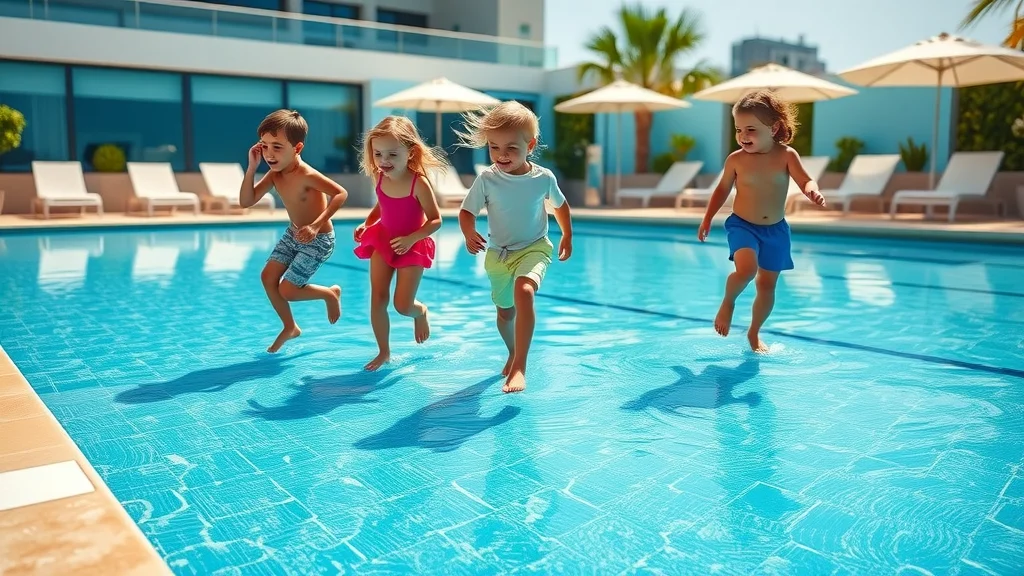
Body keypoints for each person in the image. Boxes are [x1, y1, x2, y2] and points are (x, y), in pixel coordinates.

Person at [456, 101, 573, 394]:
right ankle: (512, 351)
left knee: (525, 291)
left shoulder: (543, 178)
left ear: (530, 145)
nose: (501, 155)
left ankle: (520, 365)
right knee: (505, 313)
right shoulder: (487, 179)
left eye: (511, 148)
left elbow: (561, 206)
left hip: (534, 247)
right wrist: (469, 232)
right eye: (494, 147)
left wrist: (567, 235)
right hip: (498, 254)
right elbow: (467, 211)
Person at [697, 89, 826, 353]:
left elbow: (805, 179)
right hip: (742, 225)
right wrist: (707, 218)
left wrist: (812, 190)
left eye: (751, 130)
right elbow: (721, 190)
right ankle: (728, 302)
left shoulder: (787, 155)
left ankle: (754, 332)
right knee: (746, 270)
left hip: (776, 231)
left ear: (774, 128)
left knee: (767, 286)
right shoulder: (736, 160)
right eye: (738, 129)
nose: (743, 136)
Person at [241, 109, 349, 353]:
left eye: (277, 147)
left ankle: (329, 294)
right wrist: (251, 168)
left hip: (318, 239)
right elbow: (246, 201)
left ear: (297, 148)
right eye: (264, 146)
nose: (269, 154)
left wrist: (316, 225)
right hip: (293, 234)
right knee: (267, 277)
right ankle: (290, 327)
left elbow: (340, 193)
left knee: (288, 290)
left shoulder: (307, 174)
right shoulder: (274, 175)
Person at [353, 116, 445, 371]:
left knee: (402, 305)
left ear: (410, 152)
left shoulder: (418, 183)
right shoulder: (380, 176)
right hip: (383, 240)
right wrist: (367, 223)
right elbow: (382, 204)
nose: (384, 161)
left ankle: (420, 312)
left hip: (411, 245)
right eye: (378, 154)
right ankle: (383, 351)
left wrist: (411, 239)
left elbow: (436, 220)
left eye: (392, 155)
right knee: (377, 298)